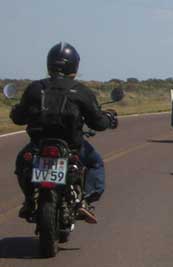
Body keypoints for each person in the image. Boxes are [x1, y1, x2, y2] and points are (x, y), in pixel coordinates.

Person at [10, 42, 118, 223]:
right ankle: (84, 200)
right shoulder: (81, 91)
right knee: (95, 163)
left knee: (22, 162)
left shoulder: (35, 88)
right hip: (72, 146)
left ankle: (29, 200)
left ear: (49, 64)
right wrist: (109, 119)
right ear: (74, 65)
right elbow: (98, 123)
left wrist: (16, 111)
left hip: (38, 144)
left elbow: (19, 118)